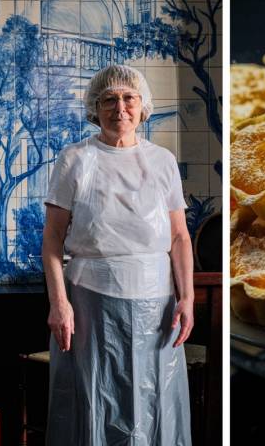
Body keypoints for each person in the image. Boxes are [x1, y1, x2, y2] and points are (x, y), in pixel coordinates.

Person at [42, 64, 194, 445]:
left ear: (143, 107)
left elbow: (179, 237)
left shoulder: (162, 161)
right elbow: (52, 242)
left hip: (158, 303)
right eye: (109, 99)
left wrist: (187, 296)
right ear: (96, 108)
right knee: (95, 399)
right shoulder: (75, 159)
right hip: (92, 301)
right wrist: (59, 304)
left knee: (152, 399)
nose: (119, 107)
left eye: (129, 98)